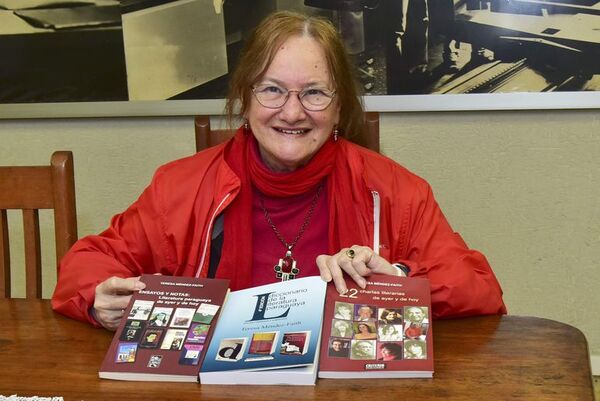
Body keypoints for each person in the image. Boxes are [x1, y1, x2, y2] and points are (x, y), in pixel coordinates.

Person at [51, 10, 506, 331]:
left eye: (314, 93)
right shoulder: (180, 186)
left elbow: (480, 289)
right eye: (272, 90)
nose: (291, 113)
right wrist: (97, 299)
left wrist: (399, 281)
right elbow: (87, 264)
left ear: (340, 105)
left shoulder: (394, 189)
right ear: (245, 99)